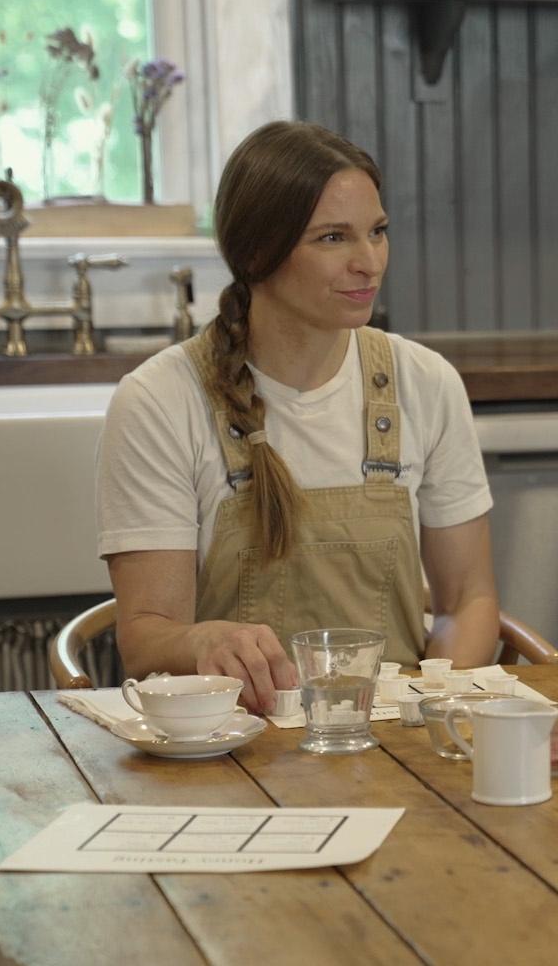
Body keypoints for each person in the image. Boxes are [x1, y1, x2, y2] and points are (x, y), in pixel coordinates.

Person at [96, 120, 499, 713]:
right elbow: (146, 640)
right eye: (333, 238)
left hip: (391, 738)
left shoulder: (425, 382)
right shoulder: (160, 400)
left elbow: (468, 601)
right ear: (258, 251)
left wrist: (431, 699)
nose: (370, 263)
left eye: (378, 232)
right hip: (232, 749)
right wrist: (204, 640)